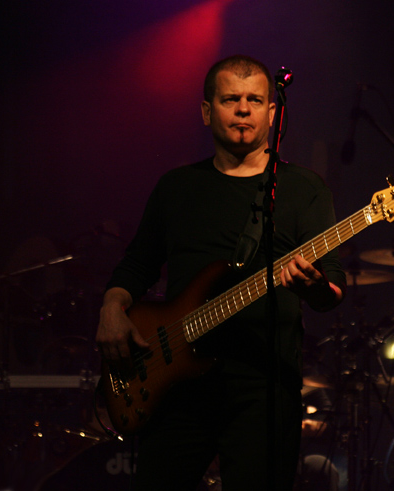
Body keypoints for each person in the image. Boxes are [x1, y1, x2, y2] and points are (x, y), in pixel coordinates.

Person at [96, 54, 346, 491]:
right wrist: (111, 307)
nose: (244, 109)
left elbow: (332, 290)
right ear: (207, 111)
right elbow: (137, 263)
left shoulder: (304, 189)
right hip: (175, 384)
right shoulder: (176, 186)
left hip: (263, 389)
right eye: (231, 99)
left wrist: (315, 287)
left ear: (273, 111)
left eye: (255, 100)